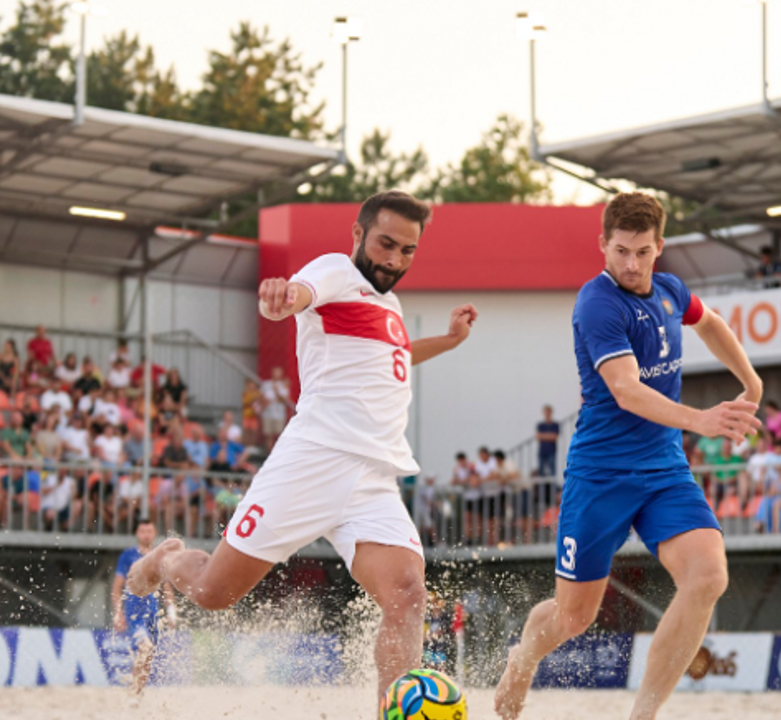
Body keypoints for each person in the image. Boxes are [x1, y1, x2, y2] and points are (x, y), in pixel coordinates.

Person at [126, 191, 477, 700]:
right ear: (358, 234)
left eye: (407, 250)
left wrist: (448, 341)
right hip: (312, 463)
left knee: (407, 593)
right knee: (213, 593)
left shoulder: (390, 306)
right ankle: (165, 560)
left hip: (374, 479)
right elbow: (298, 295)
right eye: (385, 244)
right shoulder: (337, 271)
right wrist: (281, 299)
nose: (394, 259)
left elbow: (392, 355)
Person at [495, 192, 762, 720]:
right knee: (573, 617)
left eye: (642, 252)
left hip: (664, 470)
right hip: (601, 473)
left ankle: (643, 715)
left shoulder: (669, 289)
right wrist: (702, 419)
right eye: (621, 251)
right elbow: (627, 391)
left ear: (659, 247)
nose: (632, 264)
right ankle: (522, 658)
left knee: (708, 577)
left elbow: (709, 322)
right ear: (603, 245)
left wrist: (751, 379)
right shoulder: (597, 302)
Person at [112, 519, 176, 695]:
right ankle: (134, 691)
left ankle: (137, 691)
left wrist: (171, 611)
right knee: (144, 647)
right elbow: (117, 586)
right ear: (137, 534)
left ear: (154, 533)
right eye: (143, 531)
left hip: (153, 614)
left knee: (148, 656)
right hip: (134, 613)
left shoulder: (159, 557)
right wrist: (118, 613)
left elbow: (166, 587)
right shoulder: (128, 556)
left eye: (149, 531)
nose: (146, 534)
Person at [535, 405, 560, 478]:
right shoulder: (540, 425)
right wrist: (549, 435)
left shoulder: (555, 425)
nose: (547, 413)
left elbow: (554, 437)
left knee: (552, 471)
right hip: (542, 451)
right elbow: (538, 436)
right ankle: (542, 489)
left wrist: (544, 436)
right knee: (541, 471)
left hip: (551, 450)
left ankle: (553, 488)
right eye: (545, 412)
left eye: (548, 412)